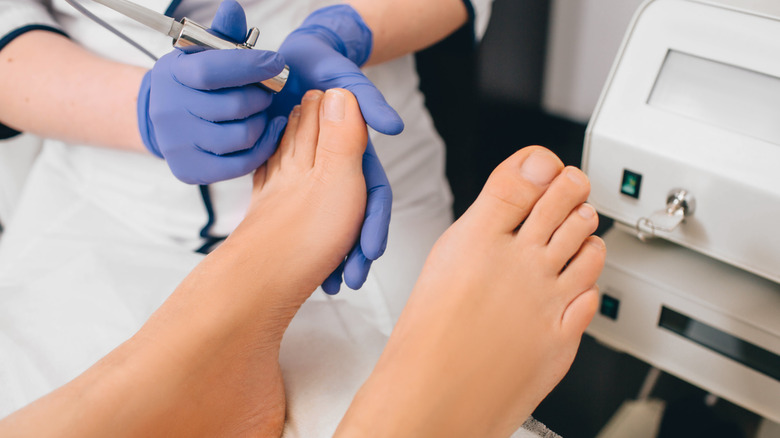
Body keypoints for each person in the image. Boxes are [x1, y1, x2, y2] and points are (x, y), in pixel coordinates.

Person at [0, 0, 491, 430]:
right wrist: (141, 109)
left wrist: (344, 29)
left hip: (347, 128)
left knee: (436, 383)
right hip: (101, 186)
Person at [0, 89, 605, 438]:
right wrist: (133, 102)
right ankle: (409, 421)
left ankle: (183, 372)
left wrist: (360, 22)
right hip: (96, 186)